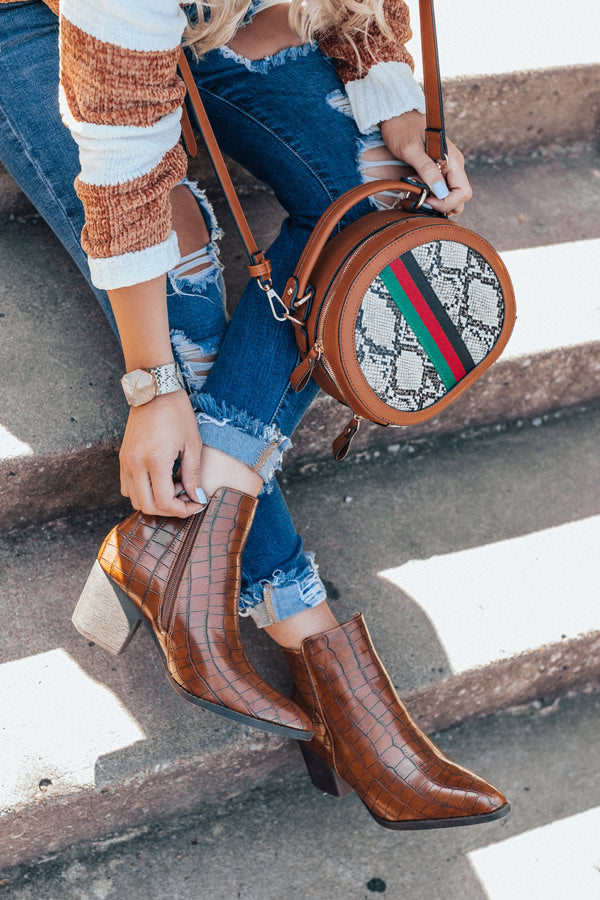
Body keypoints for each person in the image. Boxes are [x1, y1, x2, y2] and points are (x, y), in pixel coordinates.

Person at [0, 0, 509, 829]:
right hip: (40, 19)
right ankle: (304, 630)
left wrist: (399, 110)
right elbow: (124, 175)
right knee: (177, 249)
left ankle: (178, 543)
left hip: (228, 14)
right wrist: (152, 389)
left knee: (378, 210)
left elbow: (368, 7)